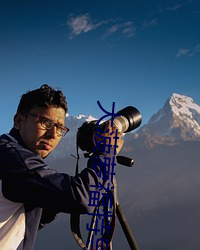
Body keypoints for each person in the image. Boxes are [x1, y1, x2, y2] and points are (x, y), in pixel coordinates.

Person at [0, 84, 124, 250]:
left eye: (59, 128)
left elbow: (24, 224)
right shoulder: (14, 159)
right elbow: (83, 199)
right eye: (45, 122)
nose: (53, 134)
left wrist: (54, 198)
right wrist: (107, 153)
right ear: (19, 121)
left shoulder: (11, 154)